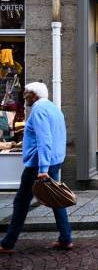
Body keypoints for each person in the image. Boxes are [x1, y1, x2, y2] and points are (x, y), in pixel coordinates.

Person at [0, 82, 72, 253]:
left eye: (26, 93)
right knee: (55, 198)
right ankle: (65, 238)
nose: (24, 97)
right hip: (53, 160)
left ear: (34, 95)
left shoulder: (39, 110)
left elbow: (44, 140)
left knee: (21, 201)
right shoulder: (53, 108)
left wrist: (43, 169)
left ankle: (7, 243)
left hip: (38, 164)